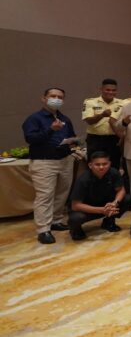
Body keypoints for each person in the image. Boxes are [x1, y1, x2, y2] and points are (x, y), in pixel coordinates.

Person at [22, 87, 79, 243]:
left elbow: (71, 135)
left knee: (62, 193)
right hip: (44, 162)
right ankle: (43, 230)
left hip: (65, 160)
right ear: (44, 98)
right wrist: (50, 130)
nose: (56, 99)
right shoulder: (34, 119)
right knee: (45, 196)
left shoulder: (65, 119)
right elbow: (30, 139)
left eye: (60, 97)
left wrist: (73, 141)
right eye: (52, 96)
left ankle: (56, 221)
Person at [68, 151, 129, 240]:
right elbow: (75, 206)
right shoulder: (83, 179)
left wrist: (114, 203)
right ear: (90, 165)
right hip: (88, 209)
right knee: (76, 218)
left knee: (128, 198)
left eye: (105, 164)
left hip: (106, 206)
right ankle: (75, 230)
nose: (101, 167)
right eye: (97, 164)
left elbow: (121, 190)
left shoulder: (114, 172)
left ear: (110, 164)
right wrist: (101, 210)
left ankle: (108, 222)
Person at [82, 78, 126, 170]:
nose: (110, 92)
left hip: (114, 139)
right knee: (95, 167)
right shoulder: (90, 102)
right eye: (107, 90)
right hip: (95, 140)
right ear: (101, 89)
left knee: (114, 166)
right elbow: (88, 120)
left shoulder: (122, 103)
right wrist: (102, 115)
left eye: (113, 90)